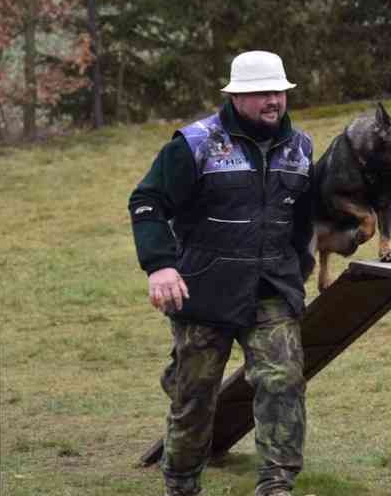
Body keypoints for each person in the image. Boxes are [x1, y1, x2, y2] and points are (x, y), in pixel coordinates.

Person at [129, 50, 315, 496]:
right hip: (204, 288)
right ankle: (181, 484)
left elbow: (304, 217)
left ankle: (276, 485)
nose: (274, 101)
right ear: (237, 97)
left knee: (283, 381)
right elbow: (147, 202)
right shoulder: (194, 144)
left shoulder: (301, 147)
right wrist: (160, 266)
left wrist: (302, 267)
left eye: (279, 92)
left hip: (271, 287)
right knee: (195, 396)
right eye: (263, 93)